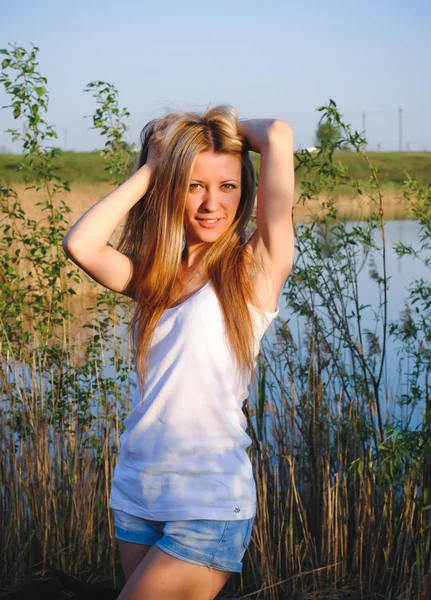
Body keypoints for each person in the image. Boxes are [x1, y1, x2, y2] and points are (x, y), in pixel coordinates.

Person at [62, 105, 295, 600]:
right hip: (138, 493)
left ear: (244, 192)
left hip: (209, 504)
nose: (213, 203)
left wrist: (216, 129)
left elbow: (276, 134)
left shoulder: (256, 268)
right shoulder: (153, 278)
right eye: (194, 185)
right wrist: (153, 167)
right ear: (172, 190)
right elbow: (81, 244)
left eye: (228, 186)